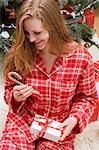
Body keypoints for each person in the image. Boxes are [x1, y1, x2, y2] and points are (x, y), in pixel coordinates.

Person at [0, 0, 98, 149]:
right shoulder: (19, 52)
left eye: (37, 33)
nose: (31, 39)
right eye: (27, 33)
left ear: (54, 27)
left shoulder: (81, 58)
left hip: (57, 127)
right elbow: (9, 88)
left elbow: (88, 98)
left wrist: (74, 118)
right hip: (22, 122)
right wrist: (15, 96)